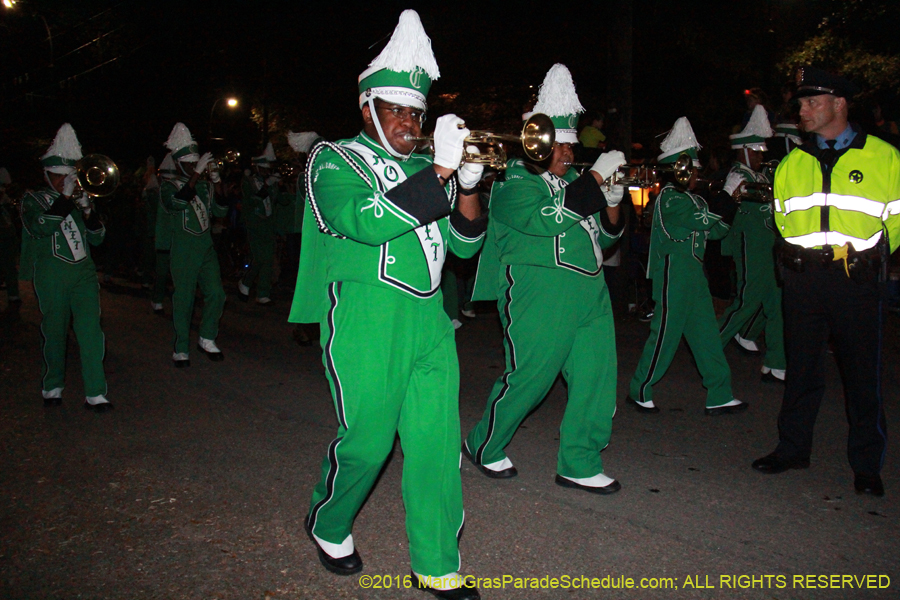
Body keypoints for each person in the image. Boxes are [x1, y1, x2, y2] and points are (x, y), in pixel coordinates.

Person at [287, 11, 485, 599]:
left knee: (435, 444)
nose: (408, 121)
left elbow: (466, 243)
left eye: (415, 112)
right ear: (367, 108)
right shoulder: (332, 159)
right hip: (365, 315)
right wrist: (444, 170)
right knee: (369, 443)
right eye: (395, 109)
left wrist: (468, 186)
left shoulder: (429, 167)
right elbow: (364, 223)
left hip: (429, 317)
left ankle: (437, 562)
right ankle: (328, 520)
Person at [464, 64, 626, 495]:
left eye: (572, 146)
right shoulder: (514, 182)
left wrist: (611, 200)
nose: (570, 154)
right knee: (532, 377)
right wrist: (593, 181)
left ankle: (580, 460)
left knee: (596, 377)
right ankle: (483, 443)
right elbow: (546, 220)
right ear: (537, 144)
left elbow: (608, 236)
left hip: (590, 288)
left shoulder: (574, 180)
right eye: (562, 146)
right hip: (539, 288)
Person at [752, 67, 900, 498]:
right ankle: (793, 448)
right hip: (802, 278)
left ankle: (867, 464)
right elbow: (782, 218)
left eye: (812, 103)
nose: (803, 111)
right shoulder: (793, 162)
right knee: (800, 368)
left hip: (856, 278)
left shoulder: (884, 157)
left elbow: (896, 219)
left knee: (862, 375)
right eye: (800, 104)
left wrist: (867, 255)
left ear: (840, 104)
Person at [626, 117, 745, 416]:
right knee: (665, 335)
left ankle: (719, 393)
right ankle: (639, 389)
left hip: (694, 276)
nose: (695, 175)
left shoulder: (692, 199)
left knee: (706, 336)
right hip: (673, 276)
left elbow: (717, 231)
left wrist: (727, 200)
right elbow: (707, 222)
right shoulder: (670, 198)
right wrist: (728, 196)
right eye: (691, 169)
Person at [19, 124, 112, 412]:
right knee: (55, 331)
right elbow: (39, 227)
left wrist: (87, 210)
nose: (63, 181)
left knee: (90, 333)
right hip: (51, 274)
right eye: (58, 176)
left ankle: (96, 392)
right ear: (47, 174)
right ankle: (53, 385)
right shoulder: (32, 199)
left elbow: (98, 238)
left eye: (67, 176)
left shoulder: (77, 198)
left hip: (83, 274)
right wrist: (64, 199)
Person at [717, 104, 786, 382]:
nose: (760, 157)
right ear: (745, 151)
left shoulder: (761, 176)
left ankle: (776, 362)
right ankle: (710, 347)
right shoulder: (738, 177)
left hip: (768, 249)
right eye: (756, 152)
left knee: (777, 304)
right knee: (746, 302)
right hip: (749, 248)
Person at [160, 123, 227, 367]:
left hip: (206, 247)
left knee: (217, 294)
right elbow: (176, 204)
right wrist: (197, 174)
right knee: (184, 299)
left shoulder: (204, 185)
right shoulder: (168, 186)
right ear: (178, 163)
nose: (192, 167)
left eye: (195, 163)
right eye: (188, 164)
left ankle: (207, 337)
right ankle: (180, 347)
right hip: (184, 249)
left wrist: (217, 181)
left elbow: (221, 209)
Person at [238, 142, 284, 305]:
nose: (266, 171)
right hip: (254, 224)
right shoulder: (248, 180)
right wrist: (267, 185)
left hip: (268, 225)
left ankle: (263, 293)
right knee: (259, 257)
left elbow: (276, 202)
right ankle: (245, 282)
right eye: (263, 168)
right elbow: (253, 200)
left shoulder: (269, 181)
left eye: (268, 169)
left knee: (268, 259)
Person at [150, 153, 177, 315]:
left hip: (176, 238)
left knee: (177, 273)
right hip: (163, 238)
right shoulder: (157, 193)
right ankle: (157, 299)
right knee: (161, 273)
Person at [0, 167, 21, 308]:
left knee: (9, 263)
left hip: (6, 234)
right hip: (5, 233)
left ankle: (13, 293)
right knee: (8, 263)